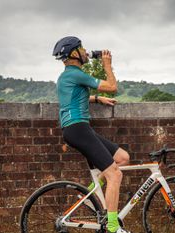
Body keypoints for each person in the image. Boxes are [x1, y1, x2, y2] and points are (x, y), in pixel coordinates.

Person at [53, 36, 130, 233]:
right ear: (74, 53)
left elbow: (73, 98)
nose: (86, 51)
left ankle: (89, 197)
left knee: (122, 158)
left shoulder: (67, 76)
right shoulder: (76, 74)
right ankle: (113, 227)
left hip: (77, 129)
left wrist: (96, 99)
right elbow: (113, 87)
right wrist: (107, 64)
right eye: (82, 48)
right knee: (114, 175)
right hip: (78, 129)